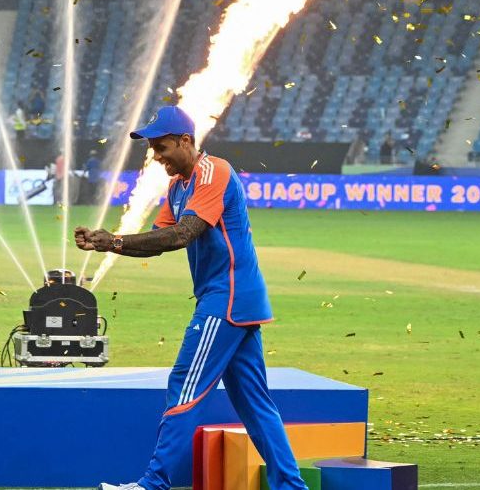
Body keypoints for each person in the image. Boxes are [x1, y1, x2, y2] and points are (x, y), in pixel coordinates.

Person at [75, 105, 309, 490]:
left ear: (185, 141)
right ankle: (291, 486)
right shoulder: (178, 187)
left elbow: (183, 234)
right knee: (255, 404)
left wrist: (114, 240)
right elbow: (157, 242)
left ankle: (154, 483)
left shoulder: (214, 171)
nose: (156, 156)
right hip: (234, 300)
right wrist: (109, 243)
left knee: (185, 386)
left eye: (161, 147)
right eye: (152, 148)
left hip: (225, 299)